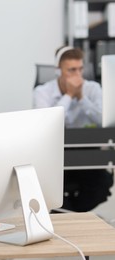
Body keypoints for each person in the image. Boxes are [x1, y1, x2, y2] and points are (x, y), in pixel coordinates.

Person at [33, 46, 113, 212]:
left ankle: (71, 216)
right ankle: (69, 217)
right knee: (48, 189)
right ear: (58, 71)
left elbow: (104, 120)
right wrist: (68, 96)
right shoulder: (42, 92)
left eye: (80, 69)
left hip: (88, 156)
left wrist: (82, 99)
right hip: (56, 158)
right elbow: (45, 124)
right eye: (71, 70)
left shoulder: (92, 89)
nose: (78, 75)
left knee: (103, 184)